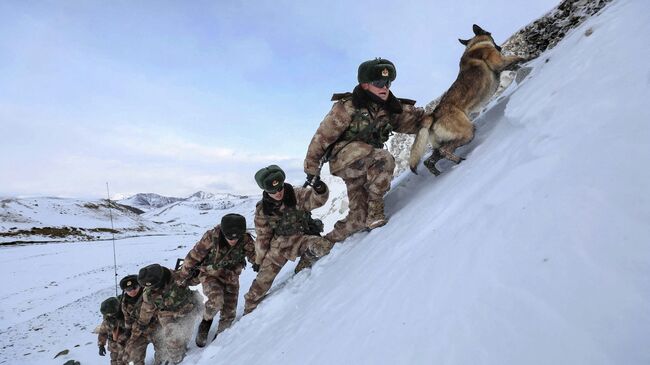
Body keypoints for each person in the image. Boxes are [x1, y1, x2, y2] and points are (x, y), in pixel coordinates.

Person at [304, 57, 433, 243]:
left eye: (388, 82)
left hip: (366, 165)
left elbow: (414, 121)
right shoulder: (347, 107)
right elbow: (321, 138)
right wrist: (311, 169)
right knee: (384, 159)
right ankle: (375, 212)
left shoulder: (390, 108)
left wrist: (439, 118)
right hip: (345, 159)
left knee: (357, 219)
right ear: (365, 85)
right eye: (379, 82)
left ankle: (322, 245)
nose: (385, 87)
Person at [243, 165, 332, 314]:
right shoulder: (262, 210)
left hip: (301, 239)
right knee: (259, 286)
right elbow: (262, 238)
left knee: (323, 247)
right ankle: (247, 312)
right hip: (278, 248)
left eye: (280, 188)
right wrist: (259, 261)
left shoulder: (296, 194)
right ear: (265, 191)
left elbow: (317, 200)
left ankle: (305, 262)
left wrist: (319, 187)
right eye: (273, 191)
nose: (278, 193)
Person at [177, 213, 256, 347]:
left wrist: (257, 262)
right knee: (216, 301)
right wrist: (183, 276)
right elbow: (193, 256)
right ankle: (206, 322)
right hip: (210, 274)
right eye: (229, 236)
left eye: (236, 237)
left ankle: (220, 343)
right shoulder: (211, 237)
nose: (233, 240)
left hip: (231, 275)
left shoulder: (245, 239)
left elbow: (254, 254)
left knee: (229, 313)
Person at [124, 264, 201, 365]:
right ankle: (176, 360)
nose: (152, 289)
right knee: (172, 336)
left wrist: (196, 274)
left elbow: (195, 281)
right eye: (148, 287)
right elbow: (146, 309)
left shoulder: (178, 277)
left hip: (188, 309)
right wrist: (142, 323)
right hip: (166, 314)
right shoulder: (148, 294)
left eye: (153, 286)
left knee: (185, 337)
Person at [119, 274, 161, 365]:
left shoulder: (149, 295)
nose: (132, 291)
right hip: (139, 332)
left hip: (156, 327)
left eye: (135, 287)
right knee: (134, 355)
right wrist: (128, 330)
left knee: (163, 352)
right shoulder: (125, 303)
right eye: (128, 289)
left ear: (140, 285)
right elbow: (127, 318)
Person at [97, 296, 128, 365]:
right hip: (114, 347)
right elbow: (103, 332)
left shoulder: (126, 314)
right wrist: (101, 345)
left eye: (111, 313)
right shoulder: (107, 319)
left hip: (127, 346)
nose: (109, 315)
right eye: (107, 314)